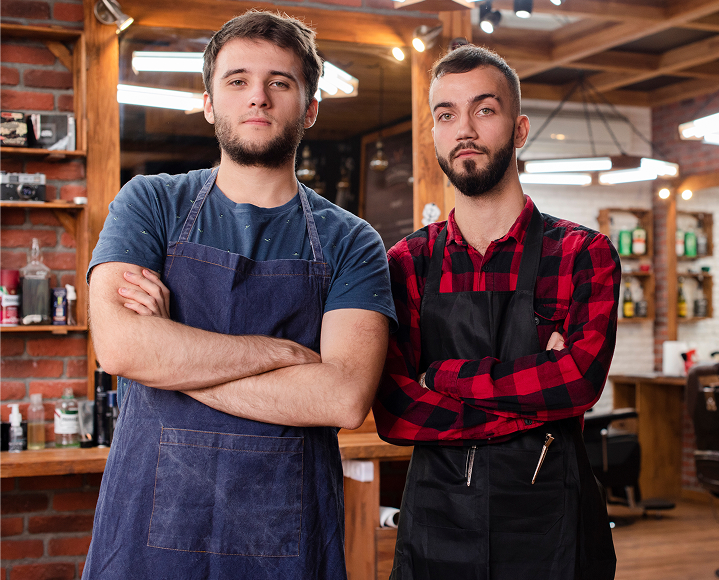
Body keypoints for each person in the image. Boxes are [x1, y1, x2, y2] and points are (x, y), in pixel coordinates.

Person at [82, 11, 396, 580]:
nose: (258, 97)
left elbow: (343, 399)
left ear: (311, 108)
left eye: (280, 82)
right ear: (209, 103)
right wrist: (284, 354)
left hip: (286, 540)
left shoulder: (351, 241)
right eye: (237, 81)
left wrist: (170, 360)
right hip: (145, 537)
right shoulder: (150, 204)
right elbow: (123, 349)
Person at [373, 44, 619, 580]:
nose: (464, 128)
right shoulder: (407, 263)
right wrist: (536, 398)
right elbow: (395, 410)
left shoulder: (582, 253)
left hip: (554, 529)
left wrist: (441, 377)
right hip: (437, 528)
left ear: (520, 128)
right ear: (434, 134)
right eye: (446, 114)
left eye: (484, 110)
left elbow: (578, 383)